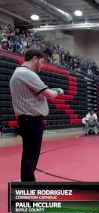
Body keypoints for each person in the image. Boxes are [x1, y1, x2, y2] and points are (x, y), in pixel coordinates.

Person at [9, 48, 64, 182]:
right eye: (42, 62)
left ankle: (26, 183)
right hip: (31, 120)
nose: (42, 66)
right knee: (31, 155)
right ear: (34, 58)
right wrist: (59, 90)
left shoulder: (18, 73)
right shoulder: (27, 74)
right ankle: (28, 186)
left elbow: (39, 93)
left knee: (28, 154)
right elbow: (50, 95)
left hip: (27, 119)